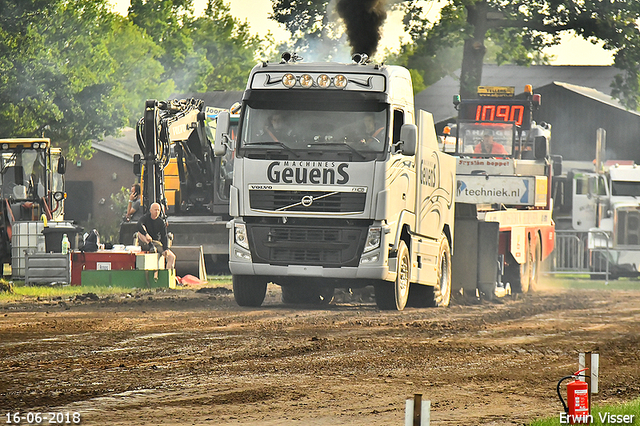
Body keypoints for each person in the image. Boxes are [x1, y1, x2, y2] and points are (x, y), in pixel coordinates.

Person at [137, 202, 176, 270]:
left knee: (172, 257)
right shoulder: (145, 218)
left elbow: (164, 236)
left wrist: (166, 249)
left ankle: (167, 274)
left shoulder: (161, 222)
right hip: (145, 241)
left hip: (156, 243)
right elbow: (139, 225)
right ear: (150, 210)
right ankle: (150, 245)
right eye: (155, 210)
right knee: (139, 233)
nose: (157, 212)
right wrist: (146, 234)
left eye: (158, 210)